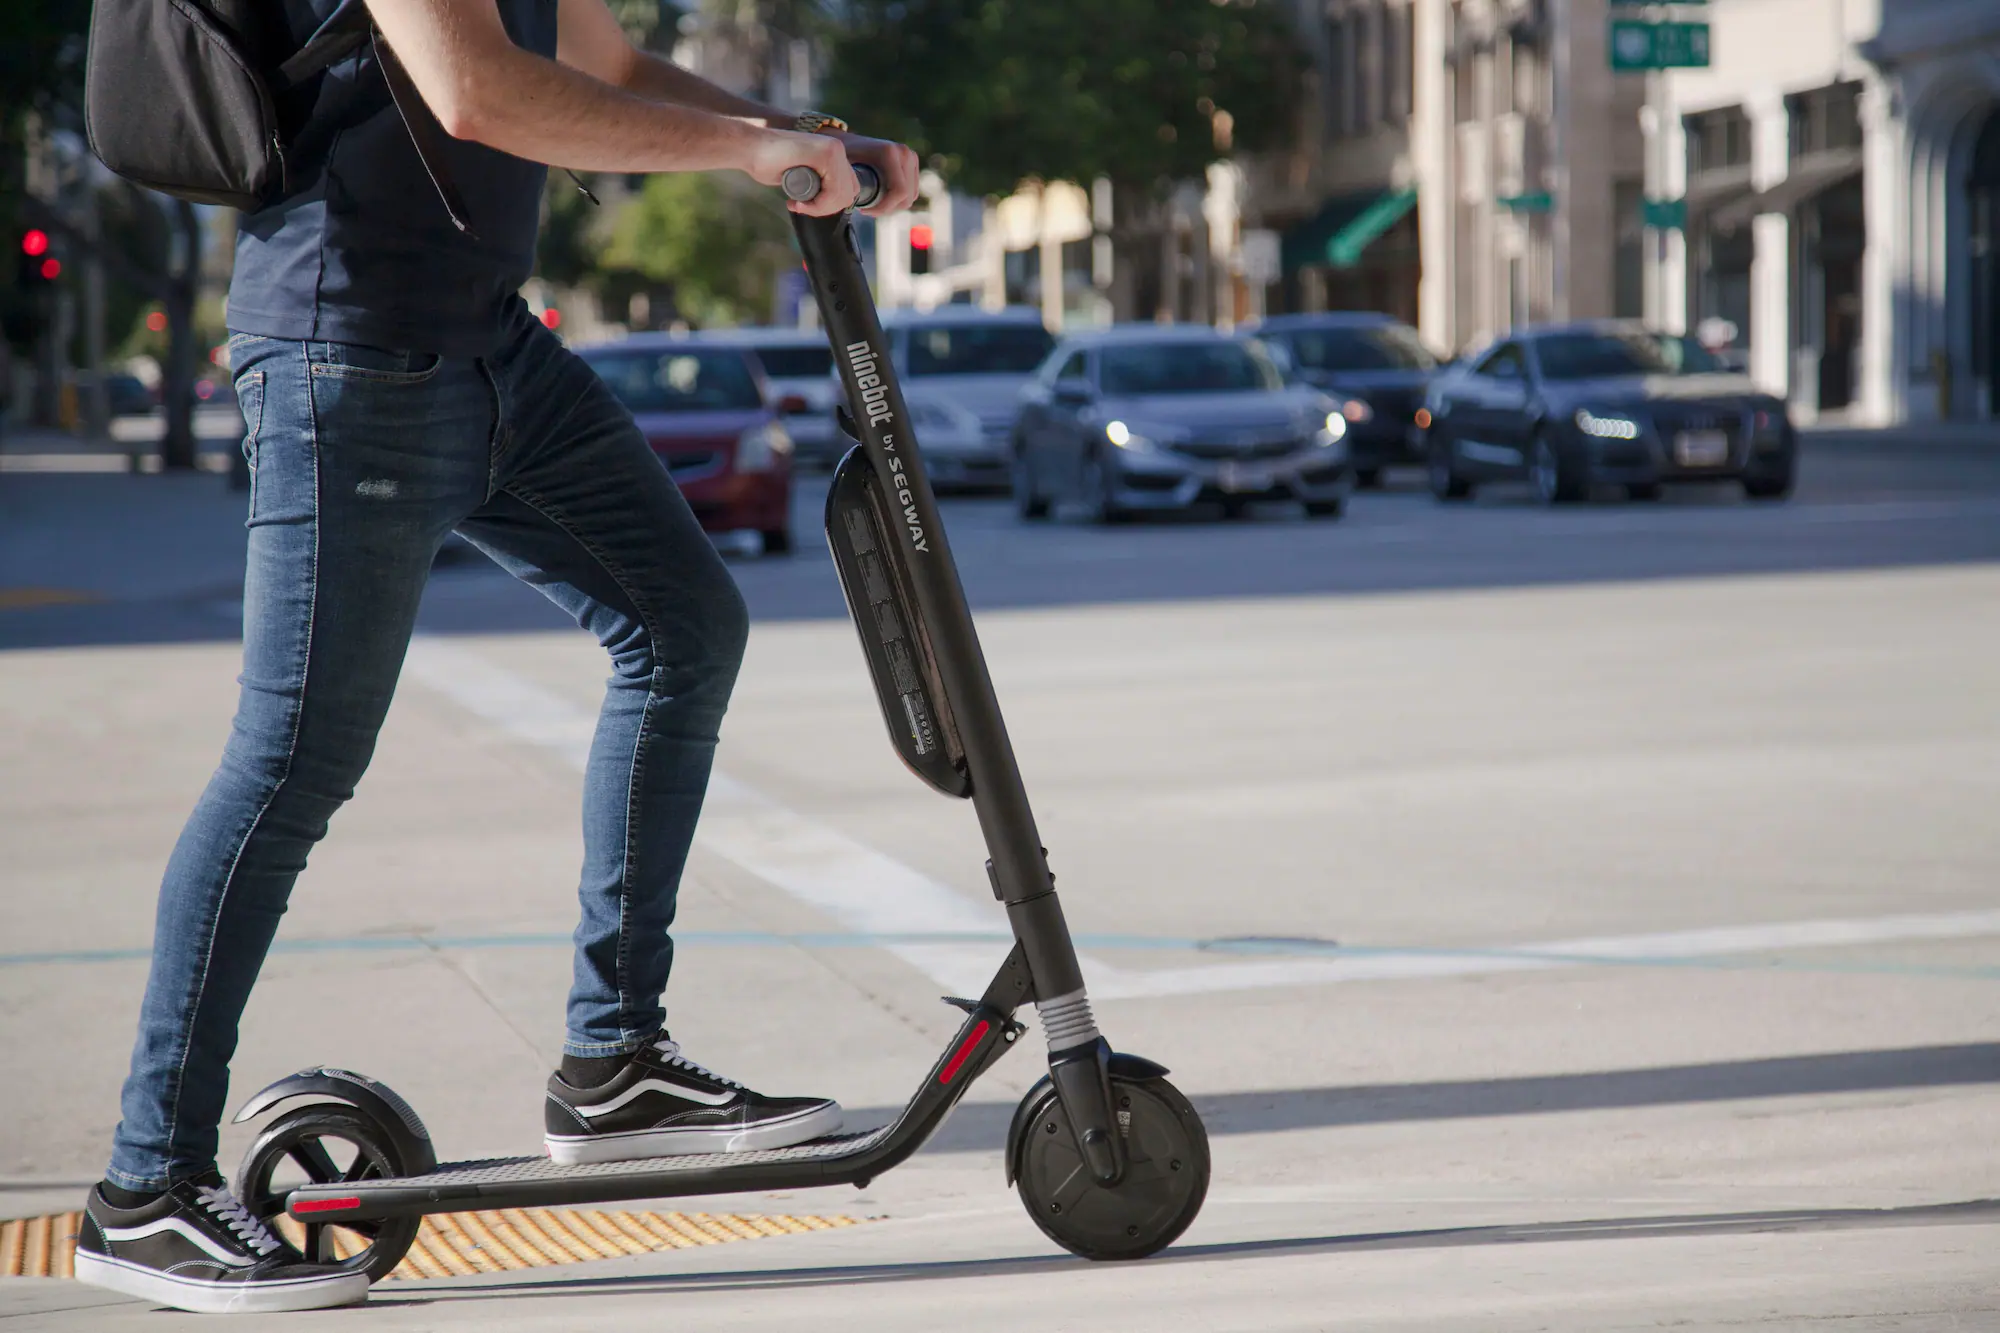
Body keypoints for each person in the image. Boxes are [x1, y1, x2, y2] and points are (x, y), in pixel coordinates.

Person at [74, 0, 917, 1314]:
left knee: (686, 626)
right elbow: (477, 91)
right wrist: (742, 154)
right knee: (292, 760)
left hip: (492, 352)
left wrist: (800, 135)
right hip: (342, 355)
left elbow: (608, 64)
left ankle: (615, 1065)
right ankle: (145, 1191)